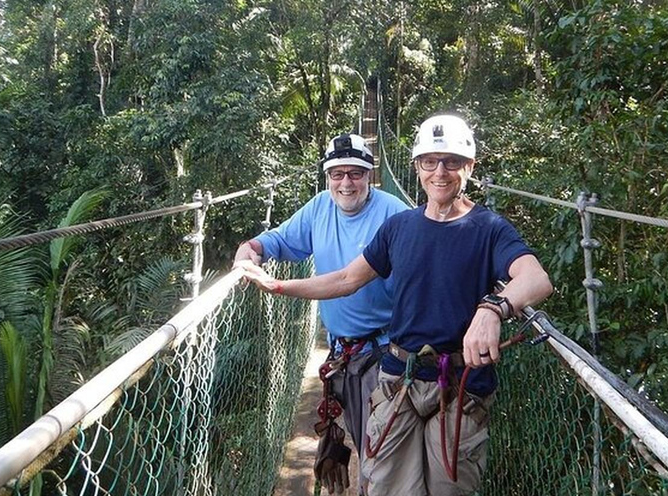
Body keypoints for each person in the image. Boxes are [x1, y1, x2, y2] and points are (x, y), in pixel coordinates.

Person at [237, 114, 553, 496]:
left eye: (452, 162)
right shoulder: (400, 227)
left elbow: (536, 279)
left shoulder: (488, 228)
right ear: (417, 167)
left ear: (469, 167)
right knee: (385, 486)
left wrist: (492, 309)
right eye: (429, 161)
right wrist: (279, 285)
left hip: (457, 386)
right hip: (397, 379)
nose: (440, 172)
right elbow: (345, 279)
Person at [234, 133, 409, 494]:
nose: (346, 183)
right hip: (343, 352)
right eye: (337, 174)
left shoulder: (396, 214)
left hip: (386, 353)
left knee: (381, 457)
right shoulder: (318, 208)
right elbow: (278, 242)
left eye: (356, 173)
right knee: (364, 445)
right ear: (327, 177)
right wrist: (249, 249)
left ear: (371, 175)